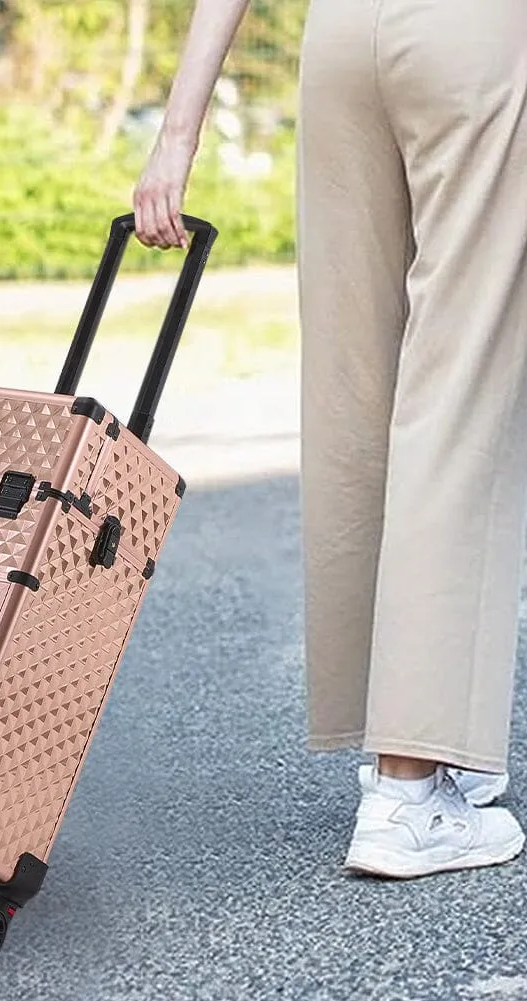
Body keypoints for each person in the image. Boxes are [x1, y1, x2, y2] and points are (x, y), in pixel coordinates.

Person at [134, 0, 527, 879]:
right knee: (458, 388)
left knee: (355, 389)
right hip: (475, 33)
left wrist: (176, 135)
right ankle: (406, 789)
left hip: (342, 39)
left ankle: (417, 730)